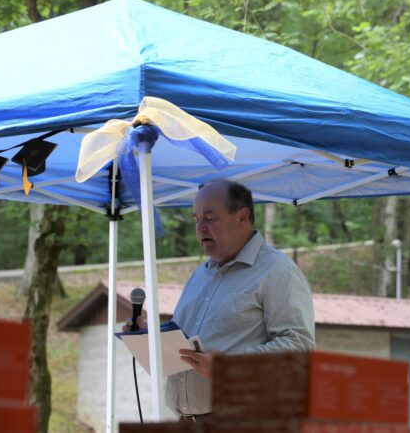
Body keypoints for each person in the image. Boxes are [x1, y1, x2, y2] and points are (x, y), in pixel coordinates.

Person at [125, 180, 315, 420]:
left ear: (242, 217)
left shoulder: (278, 272)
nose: (200, 228)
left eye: (210, 218)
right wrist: (149, 337)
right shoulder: (200, 274)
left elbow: (299, 348)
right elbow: (184, 341)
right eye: (196, 220)